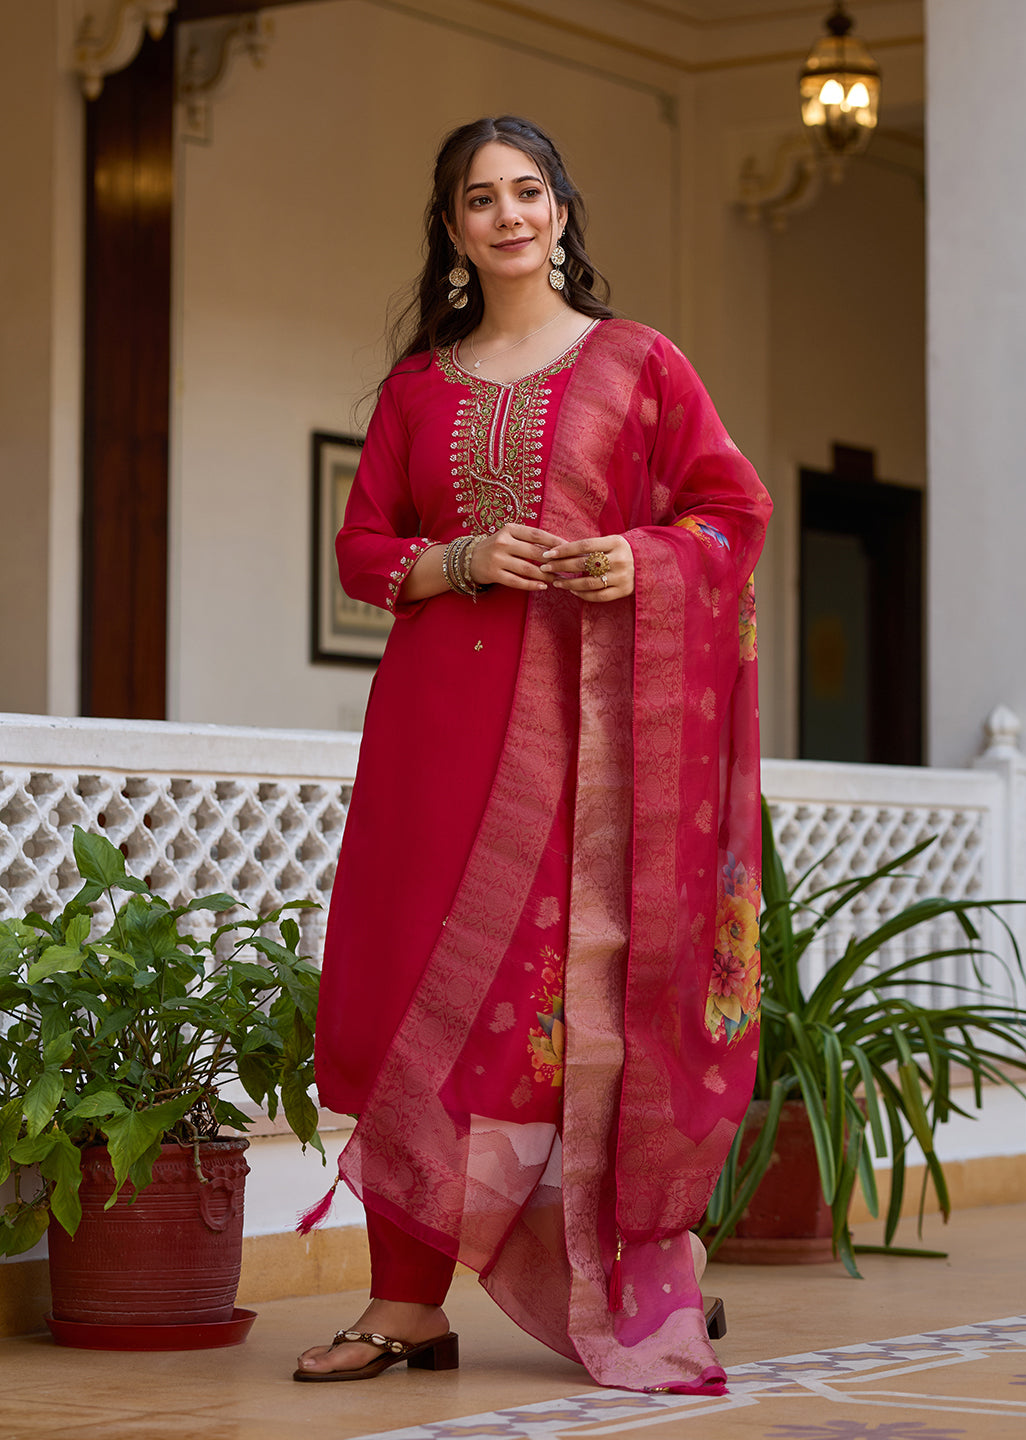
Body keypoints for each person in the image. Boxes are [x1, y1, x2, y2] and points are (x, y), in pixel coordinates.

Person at [294, 115, 771, 1396]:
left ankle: (631, 1274)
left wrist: (642, 559)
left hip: (591, 747)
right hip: (432, 739)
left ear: (562, 209)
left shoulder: (639, 365)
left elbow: (730, 513)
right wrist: (452, 561)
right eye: (479, 200)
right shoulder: (416, 389)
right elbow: (361, 549)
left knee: (578, 1012)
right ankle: (405, 1308)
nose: (508, 215)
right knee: (410, 1003)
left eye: (529, 192)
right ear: (452, 232)